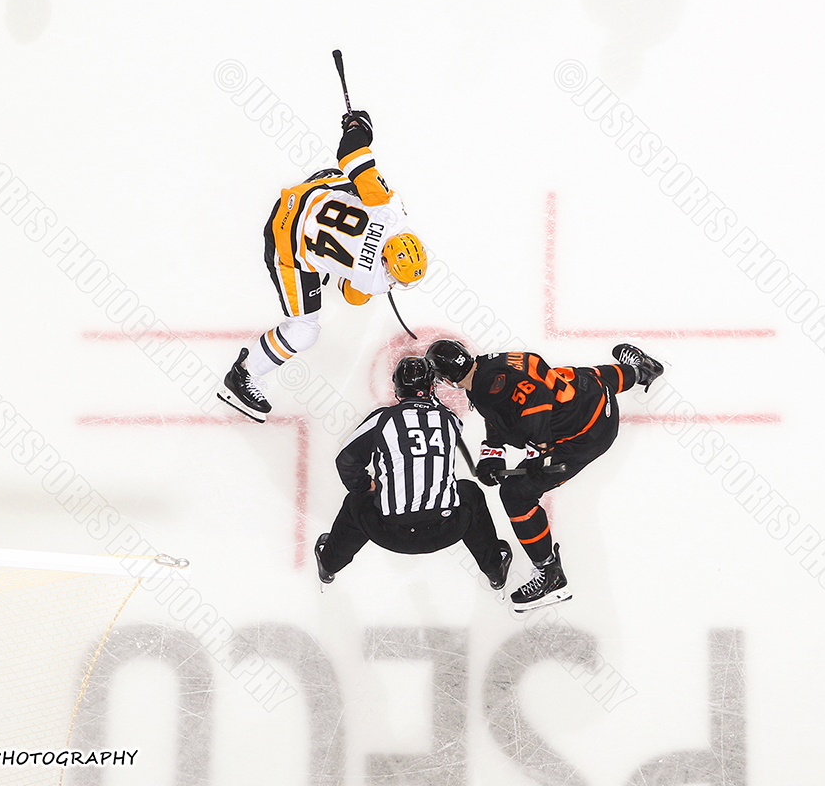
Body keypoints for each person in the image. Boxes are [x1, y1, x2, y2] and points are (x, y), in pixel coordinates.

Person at [216, 110, 428, 423]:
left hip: (305, 195)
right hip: (285, 242)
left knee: (355, 181)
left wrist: (359, 128)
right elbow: (351, 294)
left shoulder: (392, 210)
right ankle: (242, 375)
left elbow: (350, 153)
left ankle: (328, 195)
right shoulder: (373, 281)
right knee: (304, 330)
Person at [424, 339, 664, 612]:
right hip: (596, 393)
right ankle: (640, 370)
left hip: (590, 434)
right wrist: (493, 451)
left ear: (445, 378)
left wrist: (539, 450)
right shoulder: (490, 364)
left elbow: (535, 397)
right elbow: (515, 393)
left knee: (515, 495)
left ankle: (551, 575)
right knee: (576, 378)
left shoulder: (486, 390)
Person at [314, 357, 513, 596]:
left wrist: (367, 485)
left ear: (397, 388)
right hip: (446, 528)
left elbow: (346, 461)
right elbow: (450, 424)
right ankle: (494, 570)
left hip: (390, 532)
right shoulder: (448, 419)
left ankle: (329, 565)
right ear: (431, 388)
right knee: (470, 494)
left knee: (357, 502)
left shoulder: (382, 419)